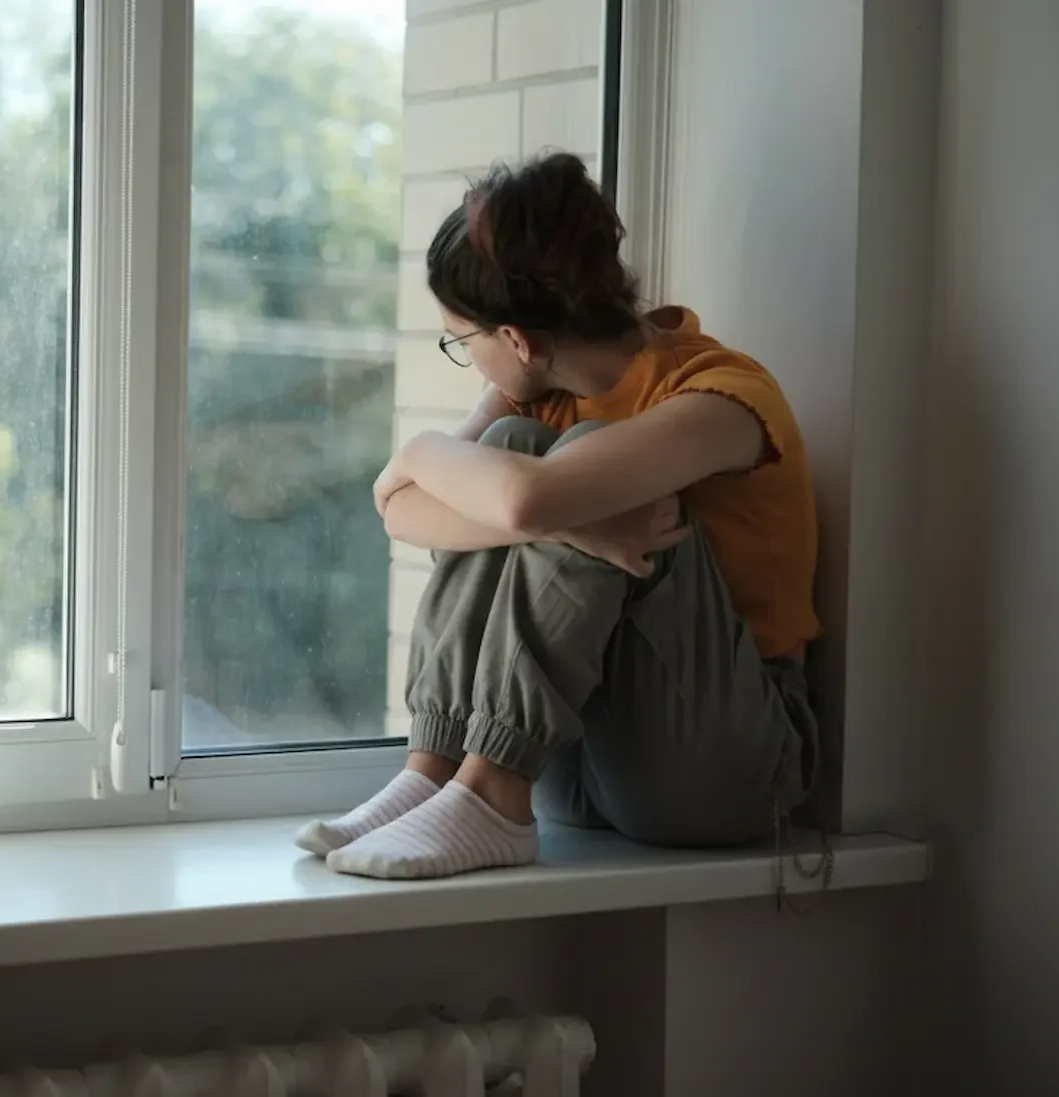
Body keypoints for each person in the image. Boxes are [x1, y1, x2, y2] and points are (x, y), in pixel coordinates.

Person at [296, 152, 820, 880]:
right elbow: (402, 506)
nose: (469, 359)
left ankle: (492, 795)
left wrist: (434, 453)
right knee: (513, 451)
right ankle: (442, 769)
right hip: (581, 760)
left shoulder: (721, 398)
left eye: (462, 340)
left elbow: (526, 498)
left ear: (517, 340)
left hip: (724, 771)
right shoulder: (532, 396)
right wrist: (553, 517)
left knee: (582, 467)